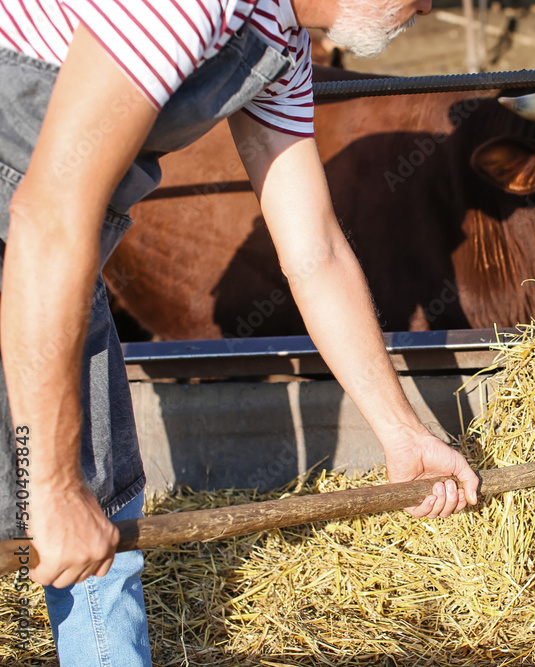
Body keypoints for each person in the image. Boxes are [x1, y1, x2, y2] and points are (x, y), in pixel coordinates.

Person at [0, 0, 479, 663]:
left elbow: (315, 250)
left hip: (58, 258)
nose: (427, 6)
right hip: (39, 240)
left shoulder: (274, 41)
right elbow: (46, 217)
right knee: (71, 498)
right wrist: (50, 488)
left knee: (105, 513)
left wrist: (402, 432)